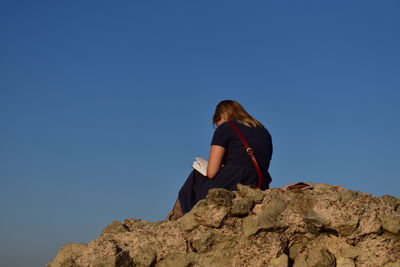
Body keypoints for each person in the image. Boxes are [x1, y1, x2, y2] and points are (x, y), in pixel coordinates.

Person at [168, 100, 273, 220]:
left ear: (223, 117)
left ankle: (175, 219)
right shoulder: (264, 132)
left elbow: (212, 172)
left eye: (218, 124)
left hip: (233, 181)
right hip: (259, 183)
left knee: (196, 175)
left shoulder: (226, 128)